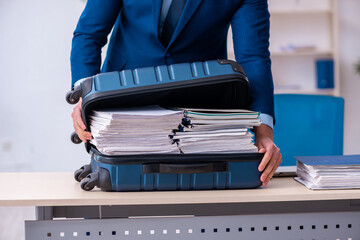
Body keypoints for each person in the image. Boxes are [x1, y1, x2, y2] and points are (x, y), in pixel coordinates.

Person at [70, 0, 282, 186]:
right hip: (122, 110)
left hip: (197, 117)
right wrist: (84, 97)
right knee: (111, 206)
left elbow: (253, 57)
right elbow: (89, 34)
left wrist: (264, 132)